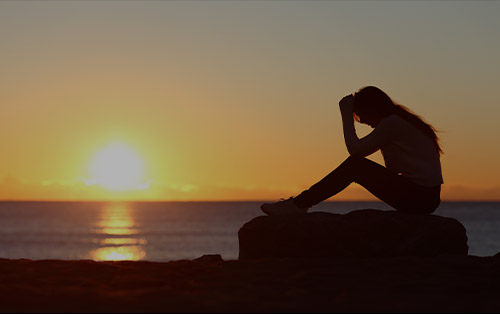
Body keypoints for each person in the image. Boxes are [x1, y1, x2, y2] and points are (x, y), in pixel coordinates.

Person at [261, 86, 443, 215]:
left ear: (372, 109)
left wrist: (346, 115)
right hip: (425, 197)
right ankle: (300, 204)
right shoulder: (400, 122)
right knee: (357, 166)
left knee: (355, 166)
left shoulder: (392, 123)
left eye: (364, 117)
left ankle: (299, 204)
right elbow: (393, 170)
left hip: (420, 197)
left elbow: (355, 151)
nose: (367, 124)